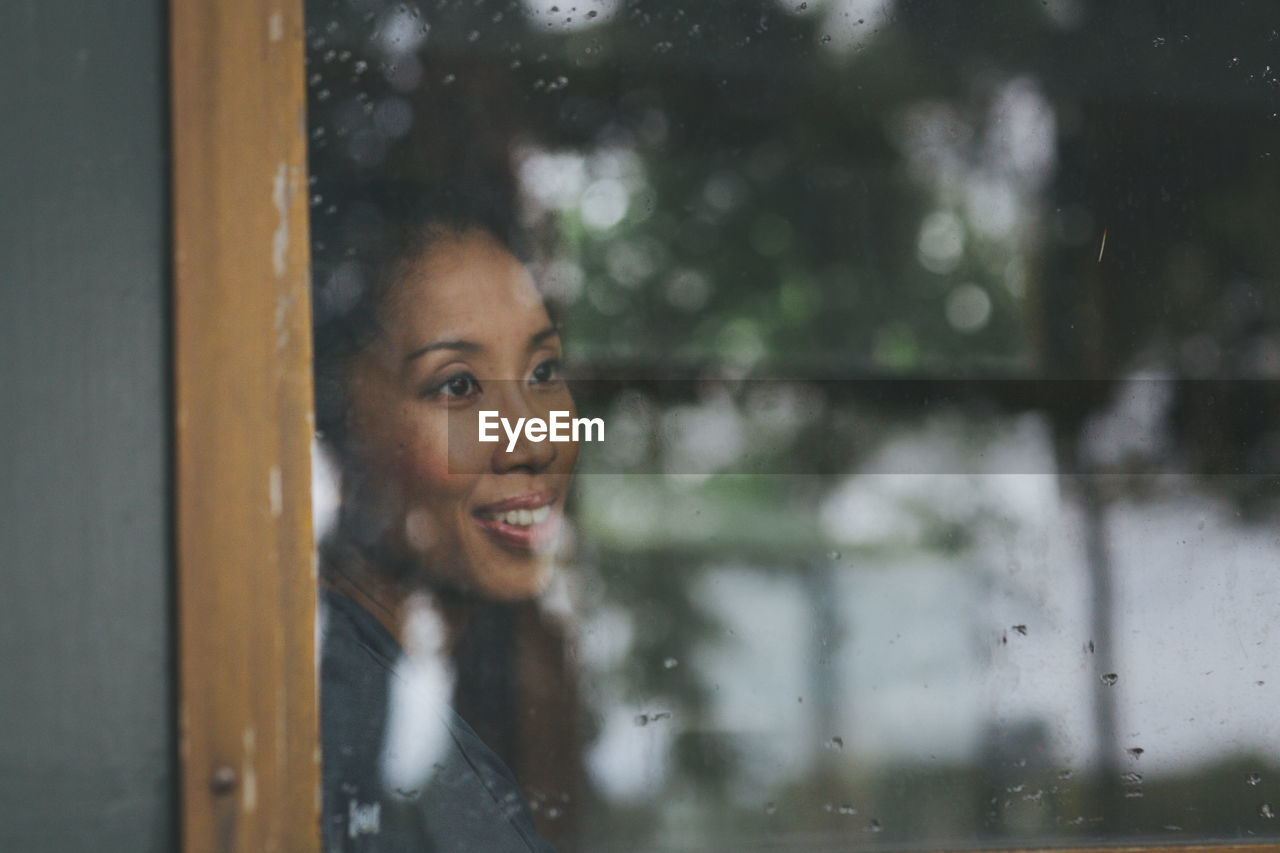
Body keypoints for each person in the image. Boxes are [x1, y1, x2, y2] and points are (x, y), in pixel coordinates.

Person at [311, 183, 576, 852]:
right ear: (344, 427)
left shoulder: (441, 690)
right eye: (457, 385)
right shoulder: (328, 724)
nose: (532, 440)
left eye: (543, 371)